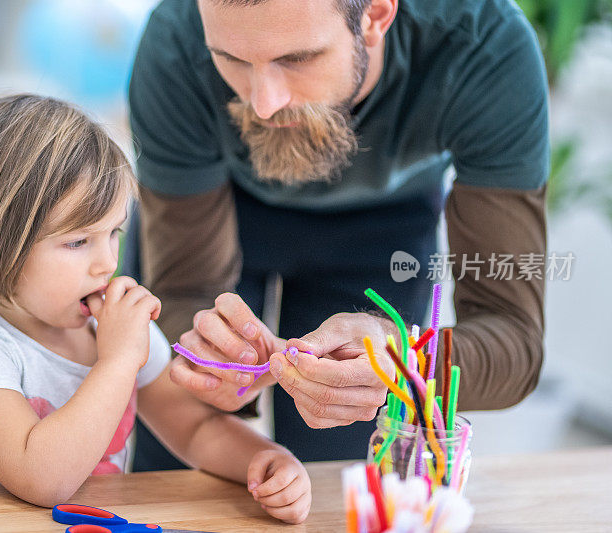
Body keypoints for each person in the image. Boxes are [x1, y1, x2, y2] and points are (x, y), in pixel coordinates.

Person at [126, 0, 548, 469]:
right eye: (232, 59)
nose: (263, 103)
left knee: (339, 473)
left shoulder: (485, 47)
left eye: (297, 59)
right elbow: (182, 294)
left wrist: (406, 363)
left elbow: (514, 341)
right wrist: (210, 357)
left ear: (377, 15)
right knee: (174, 459)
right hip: (223, 204)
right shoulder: (175, 42)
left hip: (388, 225)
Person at [0, 94, 312, 523]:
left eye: (113, 233)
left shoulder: (110, 329)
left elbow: (194, 427)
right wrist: (119, 360)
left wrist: (266, 459)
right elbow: (41, 480)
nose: (107, 262)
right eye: (77, 242)